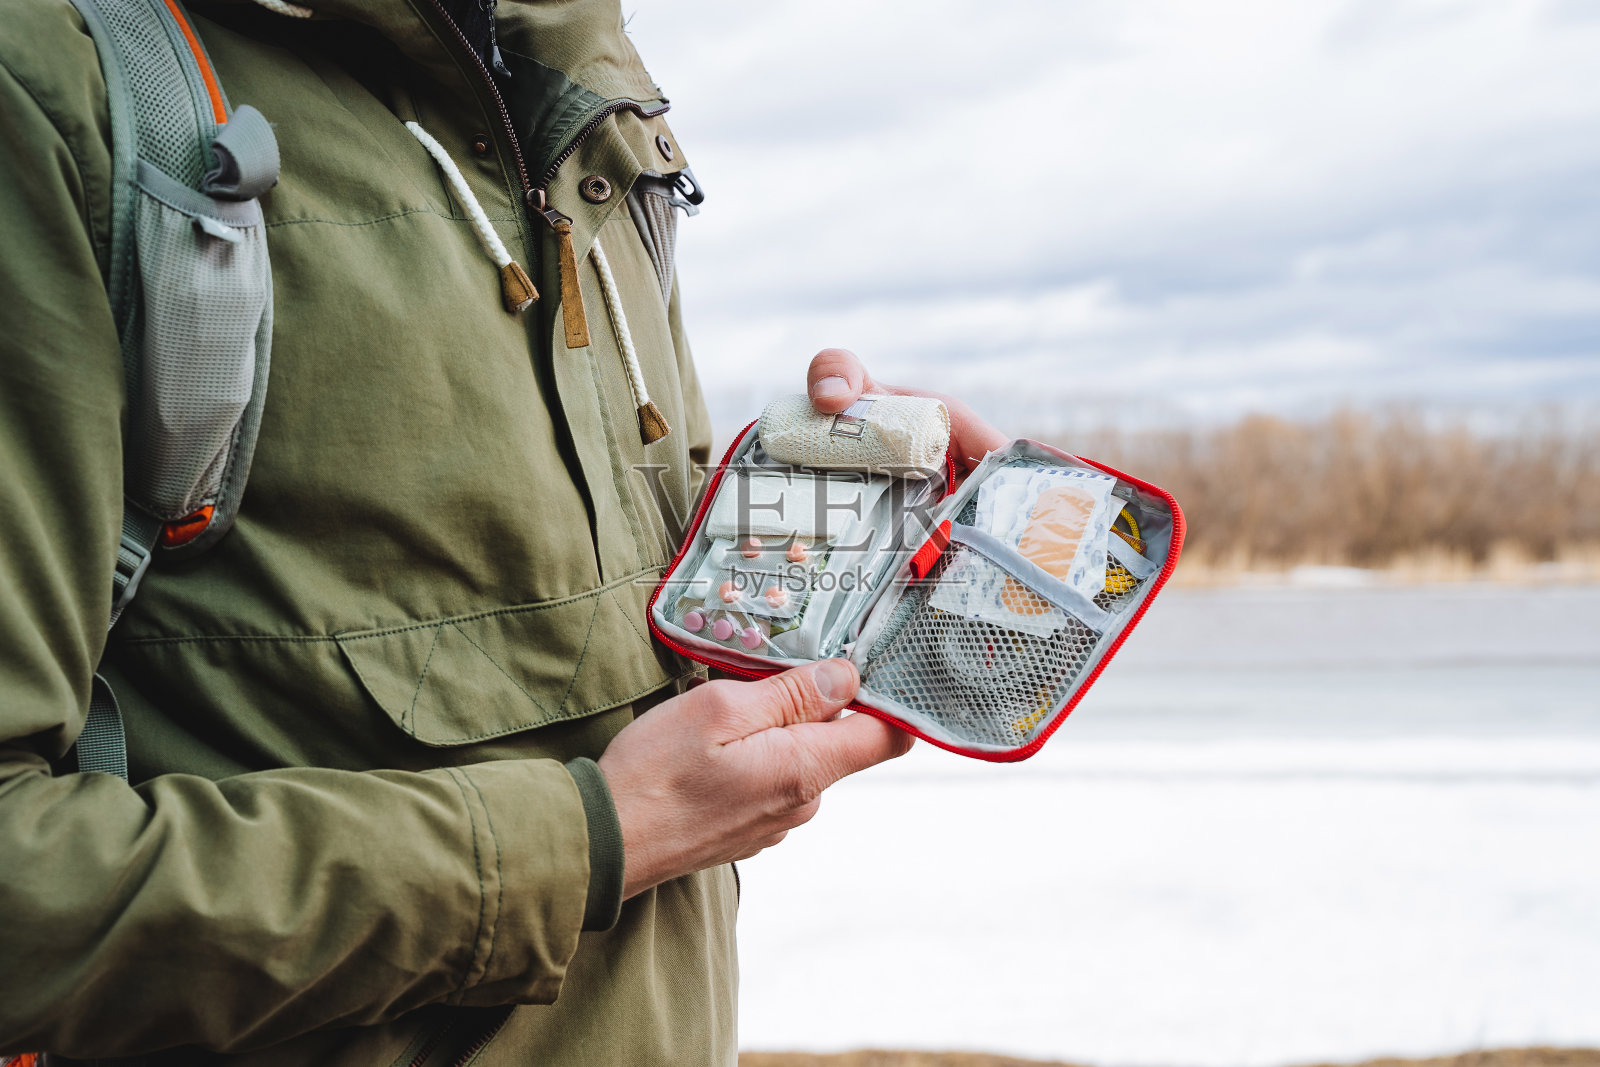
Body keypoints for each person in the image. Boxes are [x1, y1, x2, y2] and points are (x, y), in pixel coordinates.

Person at [0, 1, 1006, 1064]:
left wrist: (841, 515)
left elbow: (588, 614)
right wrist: (590, 835)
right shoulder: (59, 81)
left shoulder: (585, 82)